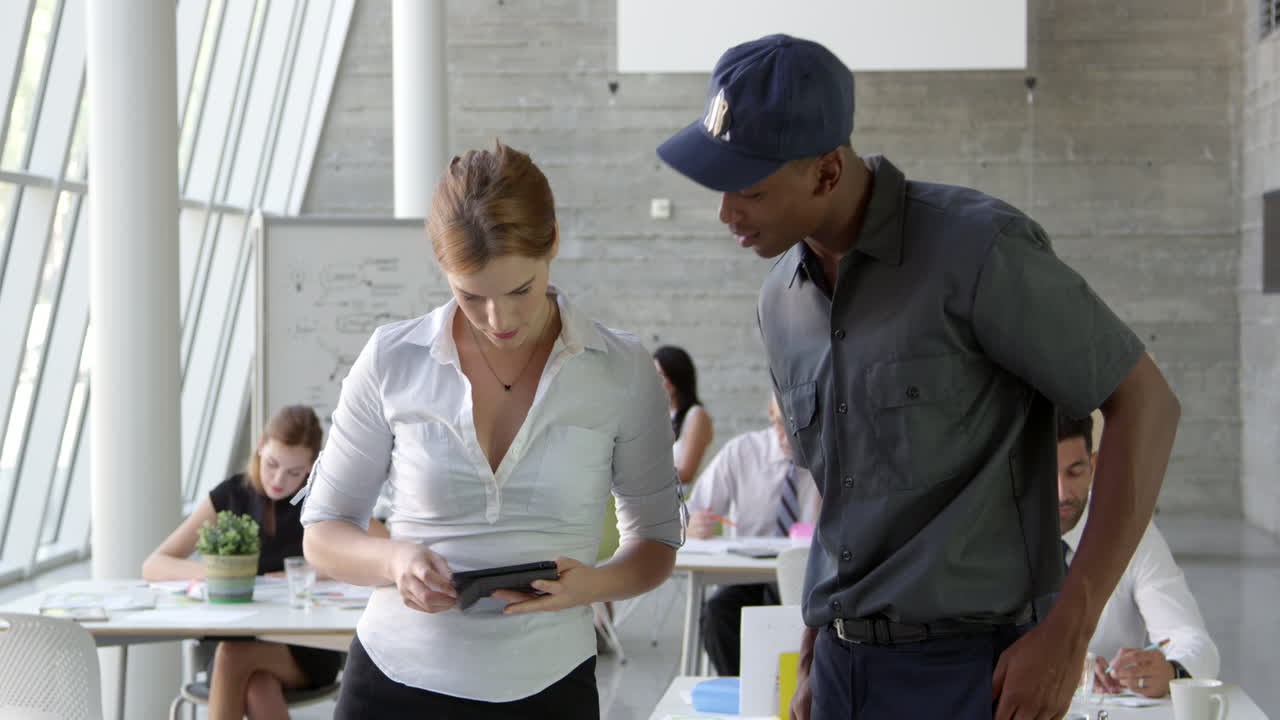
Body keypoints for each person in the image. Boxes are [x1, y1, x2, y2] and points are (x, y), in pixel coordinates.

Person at [657, 33, 1181, 720]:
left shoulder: (977, 252)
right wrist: (818, 639)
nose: (727, 214)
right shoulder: (780, 302)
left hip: (976, 674)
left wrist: (1068, 631)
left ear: (825, 172)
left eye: (749, 190)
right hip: (842, 672)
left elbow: (1146, 401)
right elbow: (844, 492)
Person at [298, 141, 682, 719]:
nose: (498, 320)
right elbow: (323, 535)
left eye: (519, 290)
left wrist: (593, 586)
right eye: (470, 296)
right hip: (395, 680)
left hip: (550, 685)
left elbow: (655, 544)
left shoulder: (621, 369)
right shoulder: (391, 359)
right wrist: (395, 561)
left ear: (552, 242)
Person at [143, 405, 362, 720]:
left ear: (312, 466)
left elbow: (378, 546)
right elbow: (154, 565)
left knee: (232, 656)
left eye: (294, 472)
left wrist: (324, 568)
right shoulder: (231, 494)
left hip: (303, 647)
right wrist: (221, 574)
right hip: (236, 639)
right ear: (260, 445)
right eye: (272, 464)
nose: (278, 480)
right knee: (257, 686)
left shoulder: (320, 498)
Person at [1054, 411, 1219, 698]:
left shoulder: (1128, 529)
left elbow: (1191, 640)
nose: (1062, 493)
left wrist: (1172, 671)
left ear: (1093, 466)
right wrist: (1059, 667)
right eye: (1047, 474)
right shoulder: (993, 533)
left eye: (1075, 471)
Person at [687, 393, 819, 675]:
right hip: (748, 576)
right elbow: (689, 511)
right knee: (716, 612)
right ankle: (742, 692)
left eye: (800, 429)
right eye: (783, 425)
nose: (790, 437)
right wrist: (691, 524)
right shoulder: (742, 452)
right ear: (771, 413)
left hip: (805, 580)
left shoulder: (828, 458)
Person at [654, 344, 714, 489]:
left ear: (676, 378)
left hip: (679, 503)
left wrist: (636, 473)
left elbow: (686, 473)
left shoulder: (696, 415)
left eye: (660, 375)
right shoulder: (657, 415)